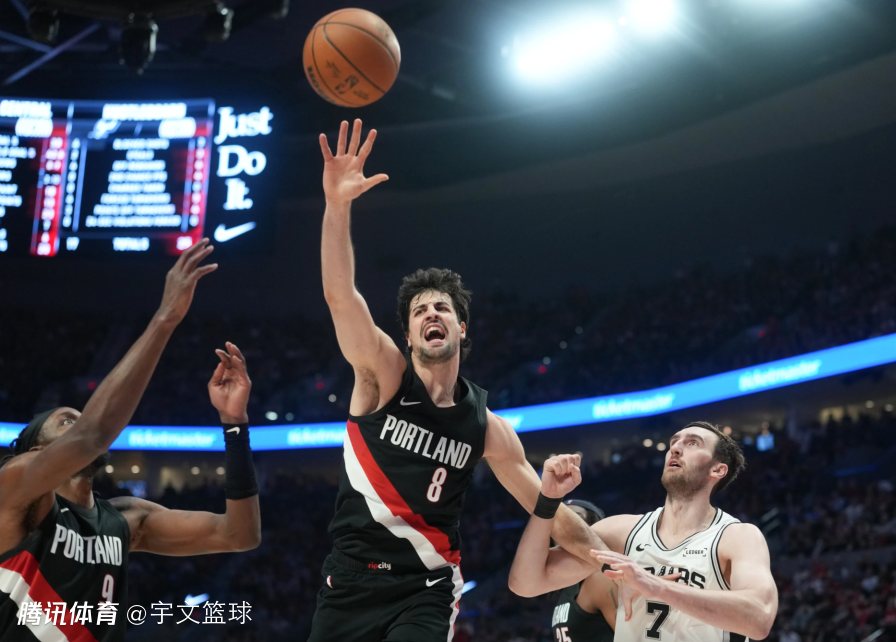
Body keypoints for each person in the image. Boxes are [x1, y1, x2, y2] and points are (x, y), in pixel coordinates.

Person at [310, 119, 608, 642]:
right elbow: (340, 296)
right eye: (420, 310)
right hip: (350, 579)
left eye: (443, 308)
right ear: (407, 335)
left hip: (426, 586)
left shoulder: (488, 428)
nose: (432, 313)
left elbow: (549, 511)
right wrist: (337, 206)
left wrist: (616, 562)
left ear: (460, 327)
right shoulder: (382, 376)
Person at [0, 240, 262, 641]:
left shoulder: (126, 519)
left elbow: (239, 535)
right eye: (66, 422)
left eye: (79, 419)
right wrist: (164, 319)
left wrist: (235, 425)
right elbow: (93, 434)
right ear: (37, 451)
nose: (80, 424)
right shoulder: (15, 487)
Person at [509, 421, 778, 642]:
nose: (676, 448)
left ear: (718, 469)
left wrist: (655, 586)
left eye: (692, 443)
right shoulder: (621, 531)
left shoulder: (737, 536)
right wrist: (547, 500)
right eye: (674, 442)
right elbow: (526, 583)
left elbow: (759, 619)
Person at [552, 499, 617, 642]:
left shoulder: (601, 578)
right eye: (557, 521)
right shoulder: (567, 585)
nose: (564, 525)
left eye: (575, 519)